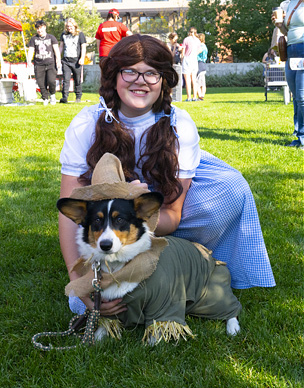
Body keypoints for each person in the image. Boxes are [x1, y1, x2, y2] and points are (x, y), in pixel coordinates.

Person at [59, 34, 276, 316]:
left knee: (231, 190)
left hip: (153, 210)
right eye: (130, 71)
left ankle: (185, 263)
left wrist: (138, 208)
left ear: (164, 80)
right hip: (107, 215)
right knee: (80, 305)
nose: (141, 80)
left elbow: (172, 215)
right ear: (113, 76)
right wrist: (78, 282)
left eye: (152, 73)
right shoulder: (86, 124)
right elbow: (69, 209)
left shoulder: (179, 125)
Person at [272, 0, 304, 149]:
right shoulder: (292, 3)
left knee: (303, 97)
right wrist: (280, 26)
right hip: (291, 50)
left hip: (303, 50)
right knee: (296, 97)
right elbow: (288, 32)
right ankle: (299, 136)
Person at [27, 20, 61, 106]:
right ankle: (45, 98)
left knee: (51, 81)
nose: (39, 30)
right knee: (40, 82)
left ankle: (52, 95)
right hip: (38, 64)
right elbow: (31, 50)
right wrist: (29, 60)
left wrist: (58, 60)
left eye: (41, 28)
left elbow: (56, 50)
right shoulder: (33, 39)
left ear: (45, 27)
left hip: (50, 63)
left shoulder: (51, 38)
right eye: (37, 28)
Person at [59, 18, 87, 104]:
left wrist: (82, 58)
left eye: (70, 26)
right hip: (66, 61)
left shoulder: (80, 34)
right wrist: (58, 58)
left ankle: (78, 97)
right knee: (66, 79)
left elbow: (83, 47)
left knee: (77, 79)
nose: (69, 28)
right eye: (67, 26)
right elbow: (61, 47)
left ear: (74, 26)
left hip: (76, 61)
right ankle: (64, 97)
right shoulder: (63, 34)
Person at [181, 27, 201, 102]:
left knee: (187, 80)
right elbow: (199, 50)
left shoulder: (186, 39)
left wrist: (182, 59)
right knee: (194, 79)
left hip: (187, 59)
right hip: (194, 59)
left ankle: (189, 97)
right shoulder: (197, 40)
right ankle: (194, 97)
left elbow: (183, 51)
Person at [196, 33, 208, 101]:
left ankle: (200, 95)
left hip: (199, 64)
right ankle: (202, 95)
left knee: (197, 82)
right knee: (203, 82)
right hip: (203, 64)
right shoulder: (205, 46)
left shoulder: (200, 47)